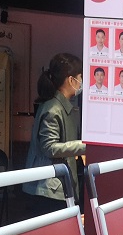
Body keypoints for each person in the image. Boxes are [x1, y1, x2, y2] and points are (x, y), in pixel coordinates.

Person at [22, 53, 86, 215]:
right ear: (71, 80)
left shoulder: (63, 107)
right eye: (80, 77)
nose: (81, 82)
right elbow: (49, 147)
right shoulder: (53, 109)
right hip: (48, 188)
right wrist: (84, 146)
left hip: (56, 186)